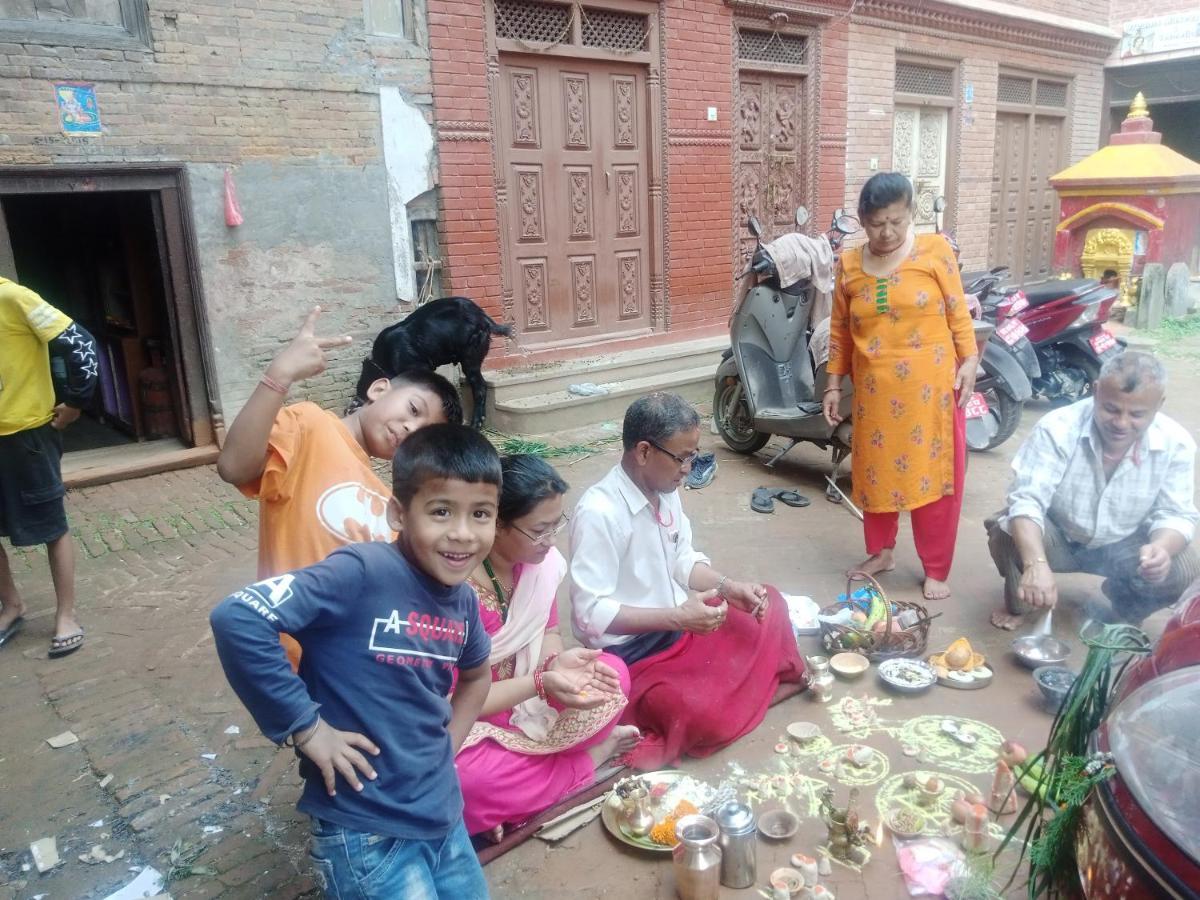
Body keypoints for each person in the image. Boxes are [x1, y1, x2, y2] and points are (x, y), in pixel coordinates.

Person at [210, 424, 499, 899]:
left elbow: (477, 674)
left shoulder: (463, 601)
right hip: (366, 830)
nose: (462, 534)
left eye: (481, 514)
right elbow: (238, 617)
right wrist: (307, 728)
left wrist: (450, 742)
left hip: (441, 818)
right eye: (441, 511)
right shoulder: (362, 571)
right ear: (399, 514)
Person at [569, 393, 807, 770]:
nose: (688, 469)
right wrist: (677, 618)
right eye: (682, 458)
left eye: (693, 456)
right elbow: (589, 614)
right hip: (634, 654)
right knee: (696, 714)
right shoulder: (599, 512)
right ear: (644, 452)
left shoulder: (666, 492)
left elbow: (683, 561)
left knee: (770, 602)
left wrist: (729, 587)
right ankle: (738, 693)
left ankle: (735, 688)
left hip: (683, 626)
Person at [217, 306, 462, 669]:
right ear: (379, 388)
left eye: (424, 432)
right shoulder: (311, 426)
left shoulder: (386, 500)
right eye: (413, 409)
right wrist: (279, 375)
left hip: (358, 666)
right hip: (296, 660)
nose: (412, 428)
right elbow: (234, 466)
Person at [456, 455, 638, 840]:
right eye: (540, 530)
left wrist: (561, 664)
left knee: (612, 675)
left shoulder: (540, 564)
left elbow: (550, 631)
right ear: (496, 524)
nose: (551, 541)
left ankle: (519, 797)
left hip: (530, 697)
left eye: (557, 525)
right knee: (467, 783)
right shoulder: (457, 589)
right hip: (471, 721)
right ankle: (589, 760)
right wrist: (542, 682)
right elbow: (460, 700)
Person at [823, 172, 979, 601]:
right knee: (875, 475)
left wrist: (970, 360)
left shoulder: (935, 251)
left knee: (934, 480)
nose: (887, 232)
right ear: (862, 220)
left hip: (930, 394)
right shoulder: (850, 265)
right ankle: (882, 553)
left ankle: (935, 568)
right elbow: (838, 329)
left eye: (896, 220)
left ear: (911, 213)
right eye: (877, 223)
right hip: (874, 394)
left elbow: (957, 312)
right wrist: (833, 386)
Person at [986, 352, 1200, 625]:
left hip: (1124, 547)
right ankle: (1023, 603)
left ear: (1159, 404)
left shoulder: (1176, 442)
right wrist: (1035, 564)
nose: (1121, 423)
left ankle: (1123, 608)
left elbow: (1176, 514)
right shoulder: (1058, 427)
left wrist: (1161, 547)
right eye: (1111, 409)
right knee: (1006, 532)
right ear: (1097, 391)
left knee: (1184, 569)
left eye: (1136, 414)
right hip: (1058, 537)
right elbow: (1027, 501)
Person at [0, 277, 97, 657]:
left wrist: (76, 401)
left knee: (52, 525)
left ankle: (66, 615)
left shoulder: (13, 297)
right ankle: (11, 606)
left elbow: (81, 344)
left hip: (27, 437)